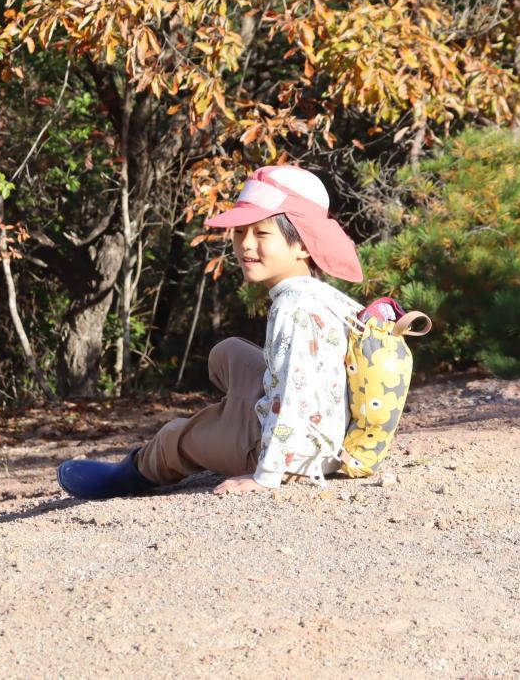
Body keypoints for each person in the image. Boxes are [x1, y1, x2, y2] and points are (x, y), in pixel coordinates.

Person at [56, 165, 364, 499]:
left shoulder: (292, 308)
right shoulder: (323, 296)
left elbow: (292, 392)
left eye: (261, 234)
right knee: (227, 353)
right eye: (240, 232)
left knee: (177, 436)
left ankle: (133, 472)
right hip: (324, 436)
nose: (246, 245)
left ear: (303, 245)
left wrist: (267, 475)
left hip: (294, 455)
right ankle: (232, 417)